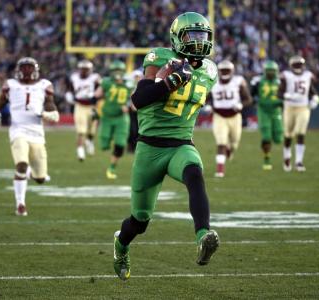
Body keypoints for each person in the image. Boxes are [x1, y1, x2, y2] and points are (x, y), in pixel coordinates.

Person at [113, 12, 220, 281]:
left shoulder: (210, 70)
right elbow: (139, 99)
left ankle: (203, 235)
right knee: (139, 221)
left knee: (194, 173)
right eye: (191, 35)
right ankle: (121, 245)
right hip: (149, 148)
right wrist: (170, 81)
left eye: (202, 36)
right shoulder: (160, 58)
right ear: (177, 37)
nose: (198, 42)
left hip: (181, 144)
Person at [0, 57, 59, 216]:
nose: (26, 71)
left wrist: (43, 113)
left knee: (40, 178)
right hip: (18, 130)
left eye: (29, 67)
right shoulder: (11, 85)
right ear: (18, 70)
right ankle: (20, 204)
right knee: (21, 163)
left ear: (36, 70)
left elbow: (53, 112)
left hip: (37, 134)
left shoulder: (44, 85)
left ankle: (32, 174)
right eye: (23, 67)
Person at [208, 60, 252, 177]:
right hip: (219, 116)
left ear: (232, 71)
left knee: (234, 143)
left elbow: (248, 99)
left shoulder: (238, 81)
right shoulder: (212, 82)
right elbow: (205, 97)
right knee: (221, 142)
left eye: (227, 70)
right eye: (223, 70)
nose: (225, 72)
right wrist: (208, 105)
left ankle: (230, 149)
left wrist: (241, 105)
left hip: (235, 116)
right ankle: (220, 170)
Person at [278, 55, 319, 172]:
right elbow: (279, 93)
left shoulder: (307, 76)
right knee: (288, 134)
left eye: (299, 64)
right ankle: (287, 157)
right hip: (289, 108)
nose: (298, 67)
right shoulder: (286, 76)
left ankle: (299, 161)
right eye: (296, 65)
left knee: (301, 133)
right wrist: (287, 96)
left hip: (303, 107)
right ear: (291, 66)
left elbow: (311, 90)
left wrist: (315, 98)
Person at [94, 60, 132, 179]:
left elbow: (136, 98)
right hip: (107, 117)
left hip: (121, 118)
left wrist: (129, 106)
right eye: (115, 71)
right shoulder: (106, 82)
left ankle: (112, 167)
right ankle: (108, 146)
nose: (117, 73)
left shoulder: (129, 84)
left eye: (118, 70)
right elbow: (96, 95)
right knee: (104, 144)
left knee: (120, 144)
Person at [66, 60, 101, 161]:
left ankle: (90, 141)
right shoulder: (74, 77)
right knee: (81, 131)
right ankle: (80, 152)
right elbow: (69, 89)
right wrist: (69, 96)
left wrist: (96, 98)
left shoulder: (95, 78)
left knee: (92, 130)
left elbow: (101, 90)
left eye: (86, 69)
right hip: (80, 105)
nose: (84, 71)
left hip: (92, 106)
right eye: (83, 69)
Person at [251, 60, 283, 170]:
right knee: (266, 136)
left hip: (276, 109)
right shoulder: (258, 81)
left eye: (272, 71)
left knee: (279, 138)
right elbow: (252, 94)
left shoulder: (280, 81)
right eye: (268, 71)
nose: (270, 73)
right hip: (263, 110)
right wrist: (255, 100)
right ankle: (267, 158)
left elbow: (285, 95)